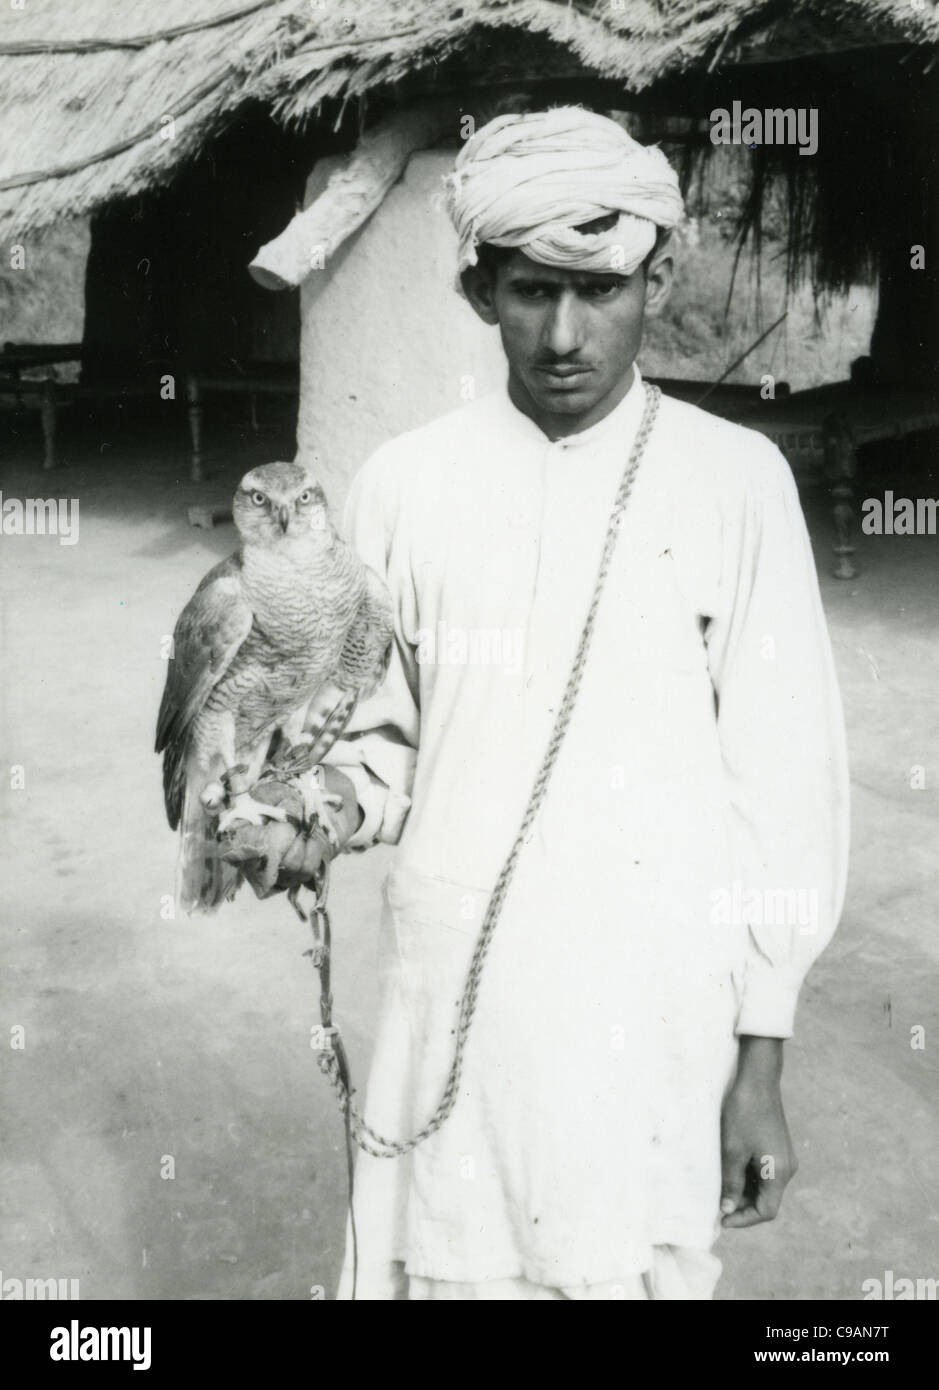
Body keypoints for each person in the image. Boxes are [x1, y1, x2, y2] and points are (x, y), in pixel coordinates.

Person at [225, 106, 850, 1300]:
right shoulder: (406, 486)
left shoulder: (736, 484)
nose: (564, 335)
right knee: (444, 1267)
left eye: (599, 290)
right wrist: (319, 816)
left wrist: (760, 1058)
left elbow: (782, 784)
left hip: (653, 1002)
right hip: (455, 989)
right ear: (477, 291)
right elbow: (378, 735)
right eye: (528, 292)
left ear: (656, 280)